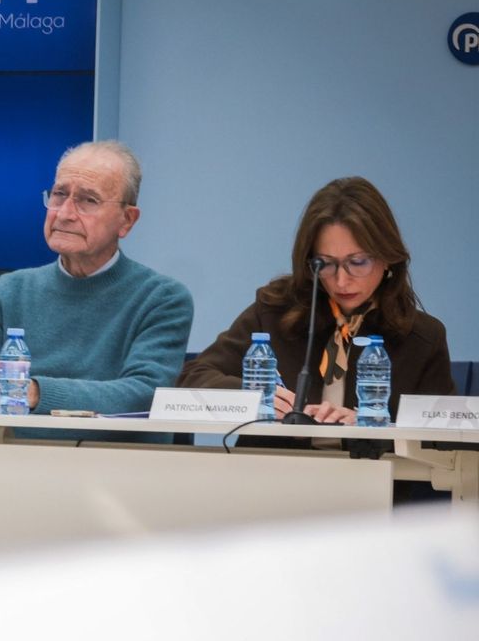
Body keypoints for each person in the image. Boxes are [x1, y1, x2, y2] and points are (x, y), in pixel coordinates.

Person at [179, 177, 454, 496]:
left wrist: (372, 425)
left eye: (358, 262)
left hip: (379, 499)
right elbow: (192, 378)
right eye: (325, 264)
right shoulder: (274, 310)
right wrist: (256, 396)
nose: (341, 280)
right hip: (269, 492)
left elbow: (444, 439)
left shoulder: (422, 336)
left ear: (388, 257)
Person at [0, 140, 192, 423]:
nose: (64, 213)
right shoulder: (10, 291)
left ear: (127, 220)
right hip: (18, 459)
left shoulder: (161, 297)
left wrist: (34, 391)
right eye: (59, 194)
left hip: (117, 460)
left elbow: (143, 394)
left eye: (88, 200)